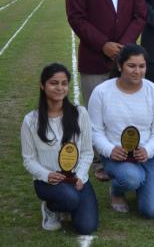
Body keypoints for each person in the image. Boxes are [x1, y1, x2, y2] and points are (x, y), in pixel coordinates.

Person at [88, 44, 154, 218]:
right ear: (119, 66)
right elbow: (95, 131)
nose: (137, 71)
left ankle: (141, 183)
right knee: (132, 177)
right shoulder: (101, 92)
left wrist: (148, 150)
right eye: (131, 66)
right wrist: (110, 150)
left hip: (148, 156)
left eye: (142, 66)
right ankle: (117, 190)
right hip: (117, 155)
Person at [20, 63, 98, 234]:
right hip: (48, 180)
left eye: (64, 83)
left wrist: (80, 176)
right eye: (54, 83)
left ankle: (69, 203)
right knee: (70, 198)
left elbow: (86, 151)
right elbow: (29, 159)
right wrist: (47, 175)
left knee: (87, 227)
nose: (60, 88)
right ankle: (51, 208)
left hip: (75, 178)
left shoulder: (80, 113)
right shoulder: (31, 120)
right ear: (42, 85)